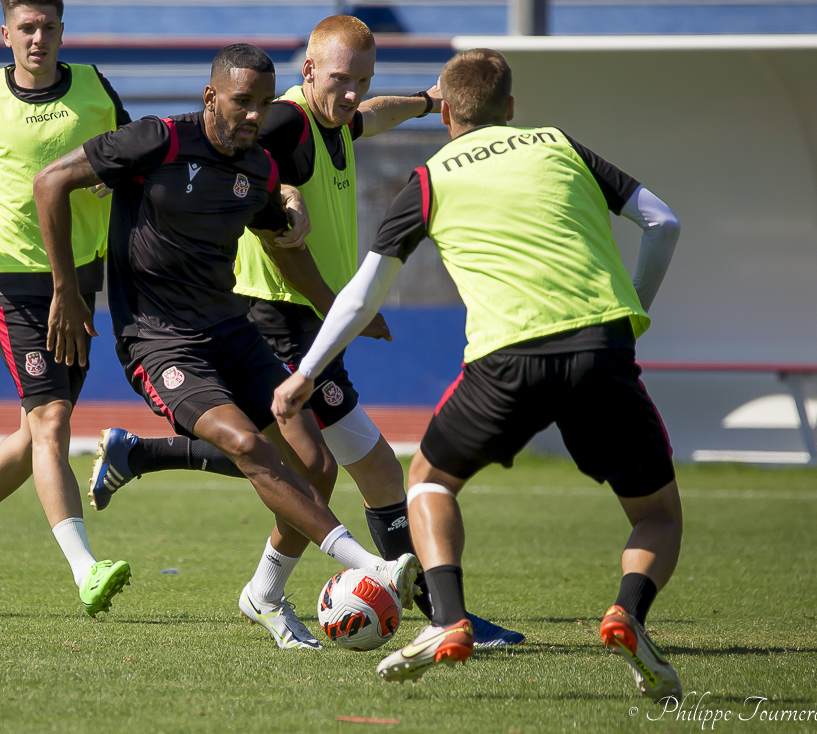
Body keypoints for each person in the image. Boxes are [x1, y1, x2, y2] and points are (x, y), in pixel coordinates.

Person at [87, 16, 523, 648]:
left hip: (310, 319)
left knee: (324, 465)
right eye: (341, 79)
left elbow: (368, 116)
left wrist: (427, 102)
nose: (353, 94)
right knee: (345, 466)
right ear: (309, 71)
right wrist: (288, 196)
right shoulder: (286, 120)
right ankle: (439, 615)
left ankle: (155, 469)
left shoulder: (333, 120)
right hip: (278, 317)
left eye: (362, 81)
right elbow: (250, 158)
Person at [273, 48, 684, 698]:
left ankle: (448, 619)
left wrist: (305, 372)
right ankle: (627, 614)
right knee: (656, 515)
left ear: (446, 116)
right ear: (511, 108)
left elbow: (360, 296)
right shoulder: (559, 145)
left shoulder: (430, 178)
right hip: (602, 346)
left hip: (506, 356)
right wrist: (634, 312)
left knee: (428, 482)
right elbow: (663, 221)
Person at [33, 43, 421, 648]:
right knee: (245, 445)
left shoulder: (260, 169)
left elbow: (281, 244)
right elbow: (50, 181)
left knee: (316, 466)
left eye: (264, 103)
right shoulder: (158, 140)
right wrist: (67, 291)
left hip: (231, 333)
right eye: (243, 101)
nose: (254, 115)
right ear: (211, 96)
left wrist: (335, 305)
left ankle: (264, 595)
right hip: (159, 342)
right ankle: (370, 566)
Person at [0, 0, 132, 617]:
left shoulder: (94, 88)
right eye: (26, 28)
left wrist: (114, 176)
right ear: (5, 33)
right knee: (53, 423)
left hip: (81, 279)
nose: (38, 38)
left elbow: (133, 156)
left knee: (35, 431)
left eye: (48, 27)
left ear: (62, 31)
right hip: (15, 283)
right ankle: (86, 570)